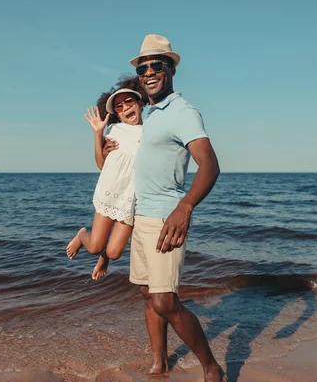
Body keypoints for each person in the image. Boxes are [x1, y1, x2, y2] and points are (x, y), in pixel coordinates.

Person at [104, 35, 226, 381]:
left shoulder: (183, 112)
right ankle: (159, 363)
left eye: (157, 65)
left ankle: (211, 367)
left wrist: (184, 207)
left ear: (170, 69)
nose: (149, 72)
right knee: (147, 294)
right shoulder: (150, 113)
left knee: (164, 301)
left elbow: (210, 166)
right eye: (143, 68)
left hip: (165, 217)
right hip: (141, 215)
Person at [66, 76, 147, 281]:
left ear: (140, 103)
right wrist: (98, 134)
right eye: (119, 106)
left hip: (130, 199)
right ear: (116, 114)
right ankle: (82, 234)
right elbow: (101, 164)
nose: (125, 107)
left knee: (114, 252)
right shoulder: (115, 131)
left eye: (129, 102)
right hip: (109, 193)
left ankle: (105, 259)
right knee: (94, 246)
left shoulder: (151, 131)